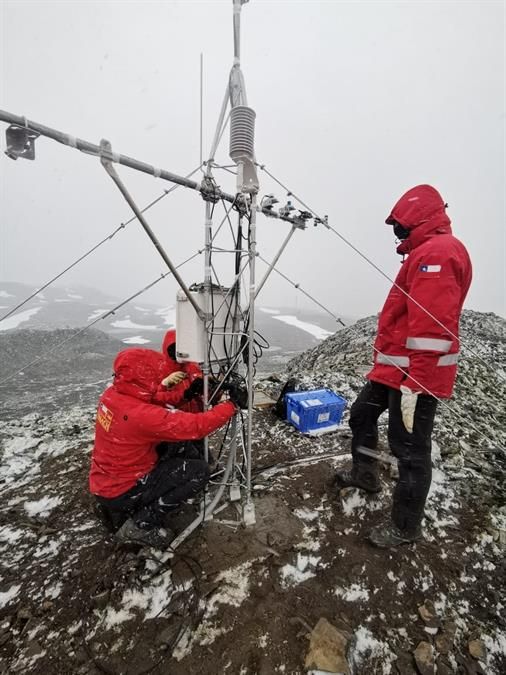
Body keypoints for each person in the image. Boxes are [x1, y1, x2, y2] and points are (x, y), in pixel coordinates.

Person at [335, 184, 472, 548]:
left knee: (408, 449)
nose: (395, 230)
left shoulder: (438, 254)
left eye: (399, 223)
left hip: (415, 377)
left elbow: (432, 329)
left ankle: (405, 528)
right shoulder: (425, 252)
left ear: (417, 217)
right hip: (395, 370)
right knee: (363, 414)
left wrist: (417, 384)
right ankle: (366, 475)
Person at [89, 348, 243, 548]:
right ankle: (139, 526)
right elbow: (196, 426)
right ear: (144, 376)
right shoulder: (139, 416)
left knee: (177, 442)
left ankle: (122, 508)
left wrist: (185, 394)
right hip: (124, 488)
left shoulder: (114, 394)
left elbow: (153, 400)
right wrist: (231, 405)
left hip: (105, 480)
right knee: (198, 472)